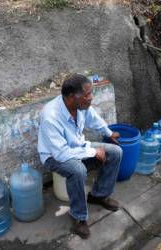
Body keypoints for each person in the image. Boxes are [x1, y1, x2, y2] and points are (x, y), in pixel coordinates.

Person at [37, 74, 122, 239]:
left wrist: (110, 133)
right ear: (71, 97)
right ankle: (79, 217)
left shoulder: (81, 106)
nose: (91, 98)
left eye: (91, 93)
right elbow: (61, 153)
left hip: (78, 147)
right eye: (86, 95)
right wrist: (93, 152)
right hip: (53, 156)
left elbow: (95, 120)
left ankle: (99, 195)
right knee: (78, 170)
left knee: (116, 152)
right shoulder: (50, 116)